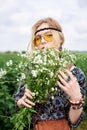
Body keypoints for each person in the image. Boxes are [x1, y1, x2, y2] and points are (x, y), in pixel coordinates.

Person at [14, 17, 86, 130]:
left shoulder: (75, 74)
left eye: (48, 36)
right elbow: (18, 98)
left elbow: (73, 122)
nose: (42, 41)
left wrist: (76, 98)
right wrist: (22, 101)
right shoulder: (31, 70)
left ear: (61, 39)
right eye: (37, 38)